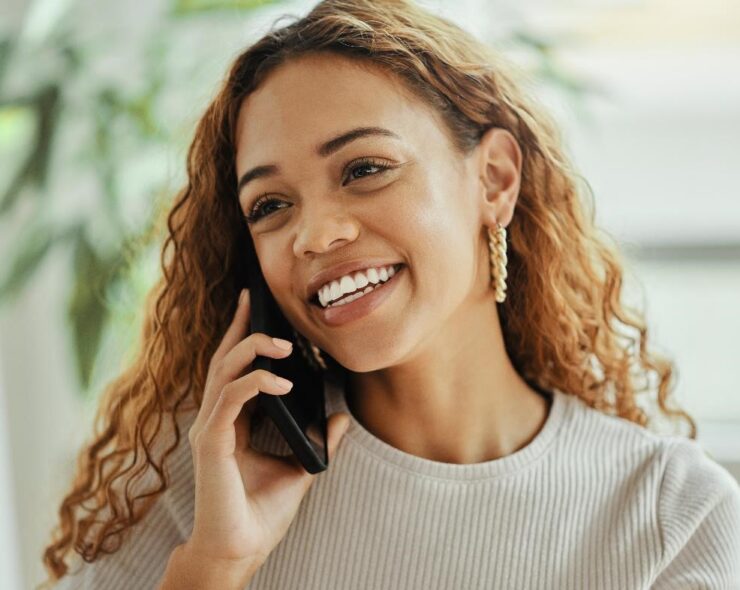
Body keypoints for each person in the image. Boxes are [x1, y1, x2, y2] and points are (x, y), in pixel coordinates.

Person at [41, 0, 740, 588]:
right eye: (270, 206)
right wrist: (212, 567)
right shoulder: (202, 488)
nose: (314, 235)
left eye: (365, 168)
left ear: (494, 180)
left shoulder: (670, 515)